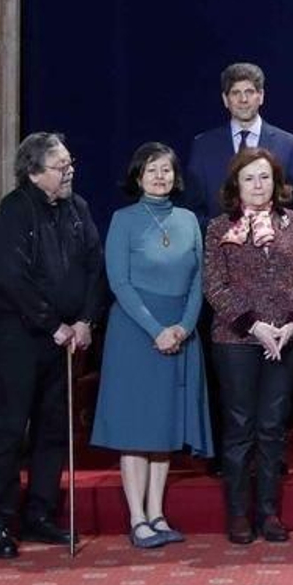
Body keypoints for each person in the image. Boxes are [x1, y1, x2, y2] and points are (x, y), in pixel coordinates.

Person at [0, 132, 106, 560]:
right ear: (33, 172)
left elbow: (95, 266)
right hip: (20, 339)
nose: (69, 172)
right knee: (12, 430)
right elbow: (11, 276)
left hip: (65, 340)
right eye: (60, 166)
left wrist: (85, 320)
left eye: (70, 164)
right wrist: (53, 324)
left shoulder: (77, 208)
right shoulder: (13, 212)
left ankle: (40, 513)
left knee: (54, 430)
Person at [90, 143, 213, 548]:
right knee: (136, 428)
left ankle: (157, 513)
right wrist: (156, 330)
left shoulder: (189, 220)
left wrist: (183, 327)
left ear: (176, 177)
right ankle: (137, 518)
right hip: (136, 334)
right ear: (138, 176)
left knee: (164, 427)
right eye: (151, 170)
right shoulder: (123, 220)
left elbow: (199, 279)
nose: (160, 177)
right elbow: (119, 282)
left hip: (179, 331)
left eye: (166, 170)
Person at [201, 148, 293, 544]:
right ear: (236, 184)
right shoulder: (219, 227)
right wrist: (254, 326)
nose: (257, 185)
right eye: (249, 178)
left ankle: (268, 513)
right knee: (240, 427)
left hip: (284, 339)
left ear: (276, 182)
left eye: (264, 177)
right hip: (236, 340)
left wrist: (292, 323)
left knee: (272, 427)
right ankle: (238, 514)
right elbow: (214, 286)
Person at [186, 62, 293, 226]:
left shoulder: (288, 144)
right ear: (225, 99)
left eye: (249, 92)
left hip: (273, 240)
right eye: (236, 93)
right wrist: (220, 234)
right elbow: (193, 210)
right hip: (218, 240)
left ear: (261, 96)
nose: (243, 99)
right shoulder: (203, 145)